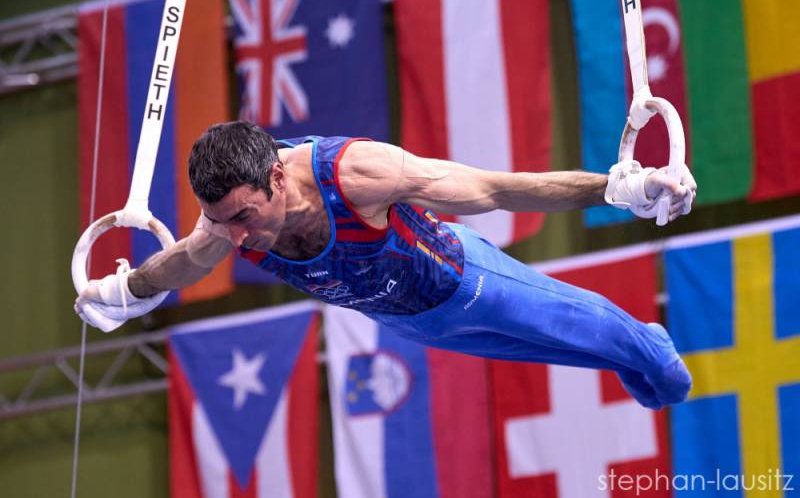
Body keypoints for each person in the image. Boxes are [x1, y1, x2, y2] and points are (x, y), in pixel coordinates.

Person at [75, 121, 697, 409]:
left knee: (637, 361)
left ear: (276, 178)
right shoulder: (225, 222)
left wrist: (616, 190)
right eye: (221, 221)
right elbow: (186, 263)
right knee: (577, 357)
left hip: (470, 282)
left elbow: (497, 189)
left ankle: (652, 347)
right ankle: (638, 355)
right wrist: (127, 289)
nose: (236, 239)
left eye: (243, 216)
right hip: (414, 323)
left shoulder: (357, 174)